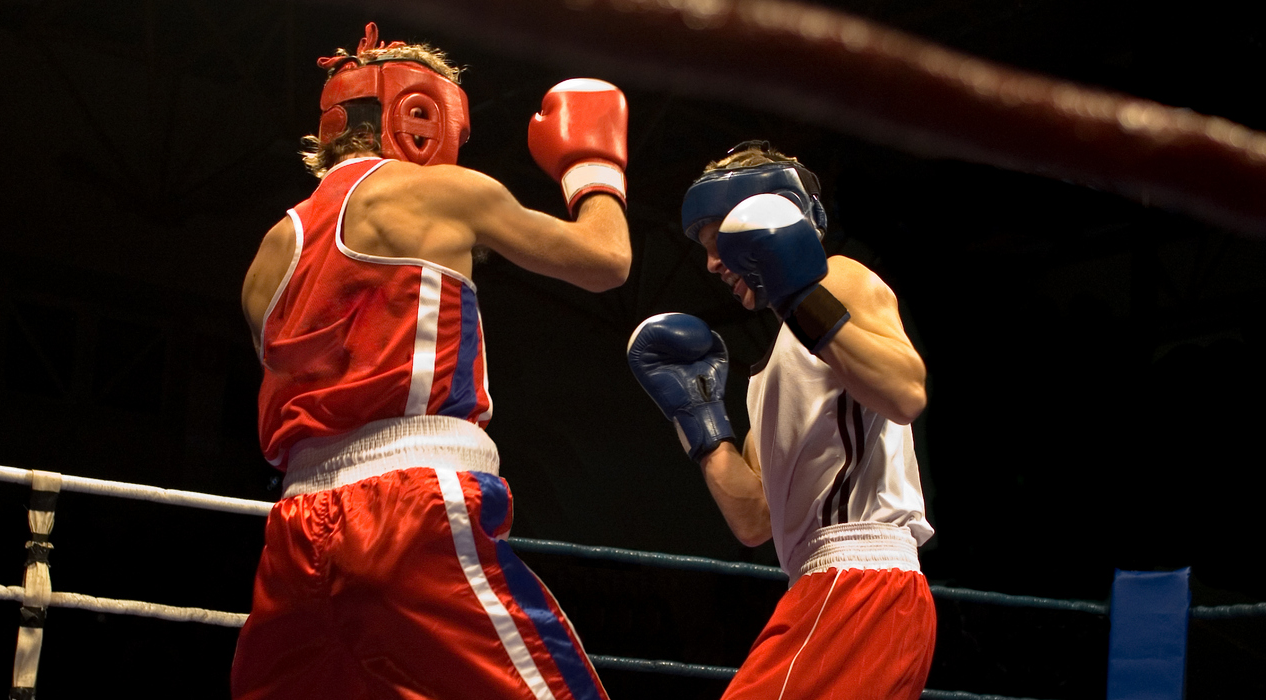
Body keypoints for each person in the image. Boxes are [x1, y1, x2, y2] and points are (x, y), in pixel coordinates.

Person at [232, 22, 630, 700]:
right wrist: (592, 167)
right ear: (422, 116)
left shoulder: (269, 253)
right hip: (409, 508)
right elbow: (607, 260)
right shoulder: (442, 191)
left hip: (295, 532)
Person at [627, 142, 935, 699]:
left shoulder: (838, 280)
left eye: (717, 238)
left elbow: (906, 391)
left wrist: (802, 297)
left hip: (859, 580)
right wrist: (702, 422)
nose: (712, 263)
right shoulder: (770, 373)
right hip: (826, 587)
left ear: (766, 219)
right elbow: (754, 520)